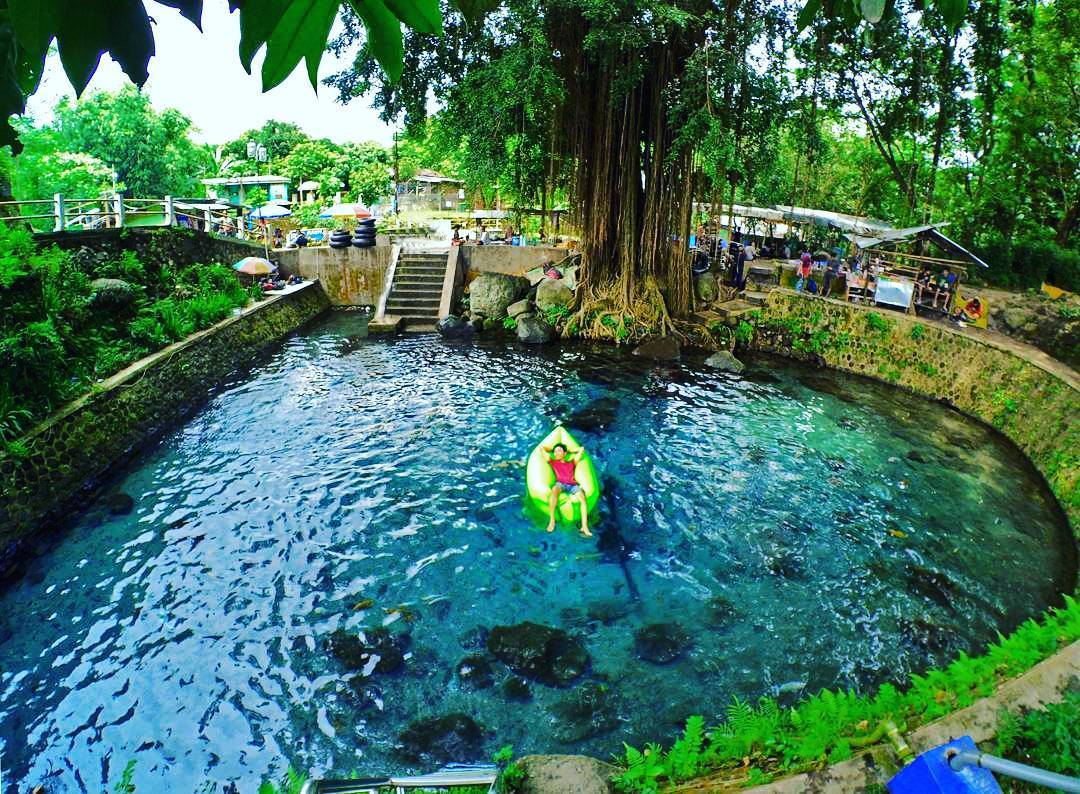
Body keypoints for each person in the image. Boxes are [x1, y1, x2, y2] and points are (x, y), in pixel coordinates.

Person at [543, 442, 591, 537]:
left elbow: (581, 449)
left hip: (573, 485)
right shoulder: (553, 461)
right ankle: (552, 521)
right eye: (555, 451)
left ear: (565, 454)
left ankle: (584, 527)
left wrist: (568, 450)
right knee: (554, 491)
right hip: (560, 484)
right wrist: (555, 449)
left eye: (559, 451)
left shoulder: (572, 462)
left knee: (582, 499)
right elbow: (542, 447)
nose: (556, 453)